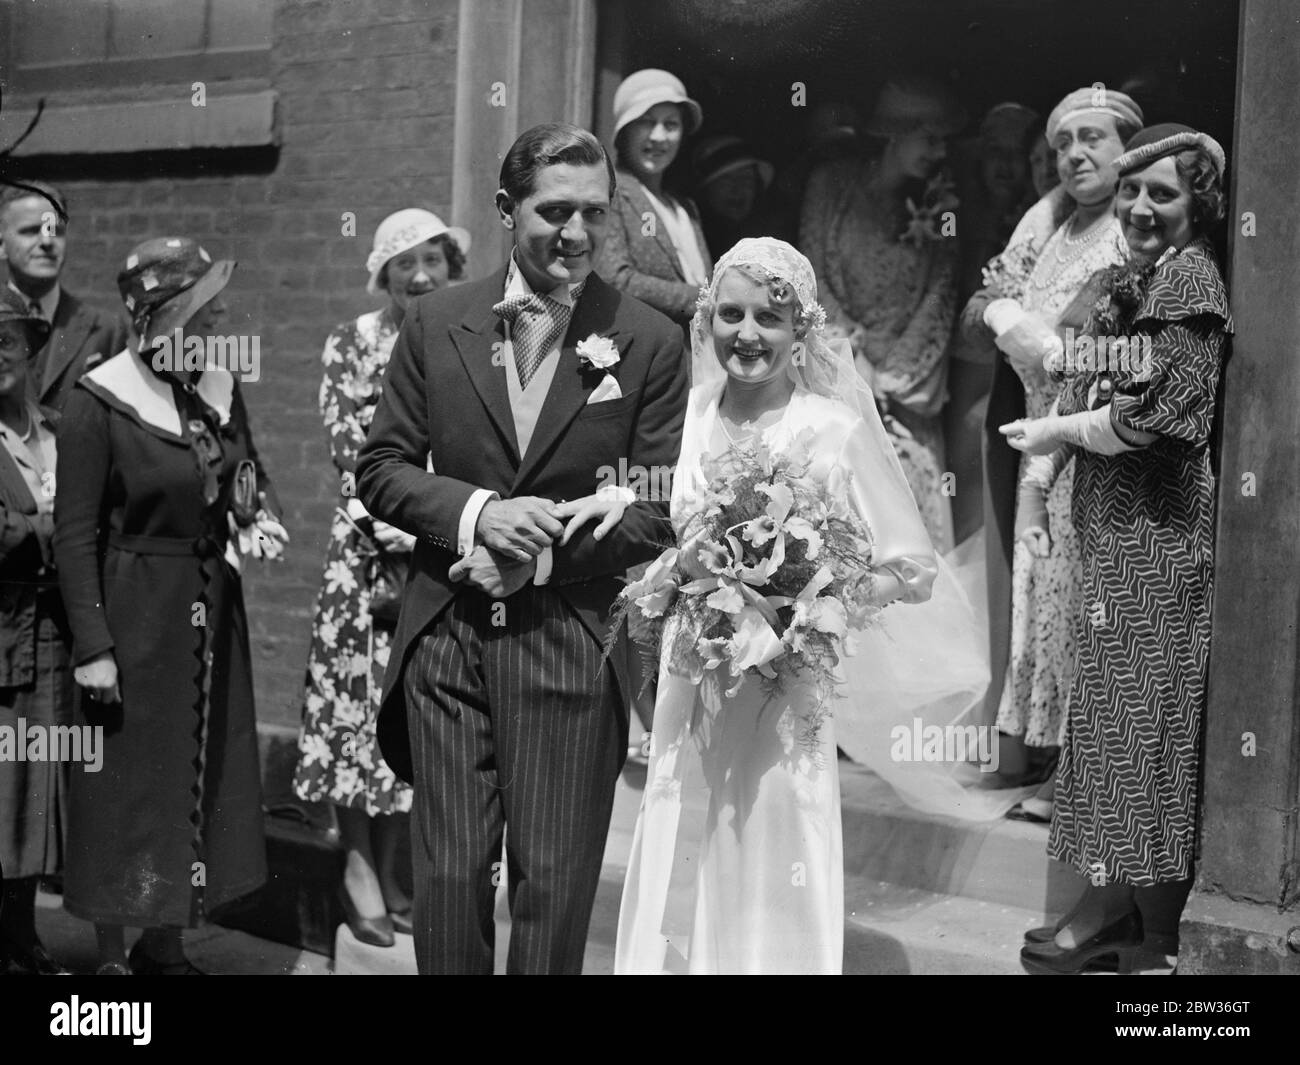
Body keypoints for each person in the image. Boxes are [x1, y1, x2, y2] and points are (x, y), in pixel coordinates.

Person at [355, 122, 689, 975]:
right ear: (507, 210)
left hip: (571, 641)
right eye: (553, 212)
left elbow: (656, 511)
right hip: (448, 633)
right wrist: (475, 514)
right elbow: (382, 468)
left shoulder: (649, 340)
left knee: (552, 884)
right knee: (449, 873)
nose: (576, 234)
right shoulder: (435, 321)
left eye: (594, 213)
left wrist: (535, 554)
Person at [614, 238, 998, 974]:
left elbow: (909, 566)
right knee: (680, 833)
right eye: (730, 313)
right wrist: (677, 578)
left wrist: (813, 607)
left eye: (769, 316)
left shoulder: (831, 429)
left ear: (801, 332)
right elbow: (650, 530)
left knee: (779, 835)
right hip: (689, 679)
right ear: (708, 319)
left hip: (785, 690)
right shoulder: (681, 419)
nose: (747, 334)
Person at [1002, 124, 1231, 974]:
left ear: (1197, 203)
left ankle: (1157, 932)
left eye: (1162, 193)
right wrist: (1040, 482)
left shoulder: (1192, 288)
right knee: (1103, 728)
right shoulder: (1124, 283)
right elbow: (1079, 378)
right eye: (1132, 191)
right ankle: (1105, 906)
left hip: (1158, 545)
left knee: (1146, 732)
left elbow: (1160, 420)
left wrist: (1057, 429)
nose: (1139, 206)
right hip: (1108, 541)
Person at [53, 237, 287, 975]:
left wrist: (260, 511)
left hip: (210, 609)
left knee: (191, 773)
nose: (215, 324)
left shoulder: (217, 383)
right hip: (133, 611)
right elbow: (73, 533)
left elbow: (243, 465)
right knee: (125, 783)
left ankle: (166, 936)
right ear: (157, 318)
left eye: (214, 310)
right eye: (199, 312)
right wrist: (92, 646)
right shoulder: (98, 401)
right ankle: (114, 953)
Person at [293, 209, 470, 947]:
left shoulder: (463, 340)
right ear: (385, 275)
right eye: (407, 264)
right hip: (368, 557)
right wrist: (405, 520)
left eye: (434, 260)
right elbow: (349, 450)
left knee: (415, 710)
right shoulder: (352, 343)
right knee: (358, 712)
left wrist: (440, 524)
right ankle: (359, 866)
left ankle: (397, 870)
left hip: (435, 552)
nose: (422, 276)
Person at [978, 88, 1141, 818]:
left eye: (1094, 139)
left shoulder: (1130, 228)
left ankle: (1078, 773)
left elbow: (1113, 346)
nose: (1077, 153)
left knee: (1085, 597)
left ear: (1126, 148)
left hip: (1097, 437)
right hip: (1036, 435)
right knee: (1043, 589)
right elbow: (993, 293)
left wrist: (1049, 344)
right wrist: (1005, 314)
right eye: (1065, 140)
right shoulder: (1047, 221)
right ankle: (1043, 752)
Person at [800, 76, 966, 553]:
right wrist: (853, 363)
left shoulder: (943, 204)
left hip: (905, 392)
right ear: (895, 132)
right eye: (929, 138)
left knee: (909, 530)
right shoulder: (830, 184)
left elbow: (940, 297)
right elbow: (811, 277)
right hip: (839, 377)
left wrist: (891, 380)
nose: (938, 152)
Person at [0, 292, 69, 975]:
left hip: (53, 635)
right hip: (2, 632)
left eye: (9, 340)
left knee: (32, 785)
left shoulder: (56, 425)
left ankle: (19, 931)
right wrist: (61, 529)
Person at [595, 68, 712, 329]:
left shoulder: (685, 209)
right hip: (646, 355)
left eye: (671, 124)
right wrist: (706, 300)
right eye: (646, 122)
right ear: (624, 131)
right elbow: (615, 280)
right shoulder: (610, 194)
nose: (659, 137)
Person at [0, 181, 127, 413]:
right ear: (1, 245)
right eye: (30, 231)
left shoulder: (106, 330)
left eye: (55, 231)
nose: (47, 242)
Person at [692, 135, 794, 256]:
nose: (737, 188)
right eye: (726, 179)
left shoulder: (772, 242)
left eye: (746, 178)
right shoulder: (691, 239)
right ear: (706, 190)